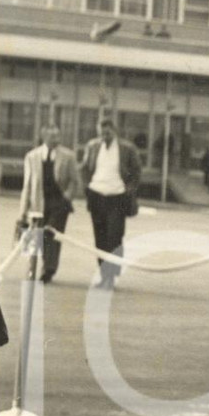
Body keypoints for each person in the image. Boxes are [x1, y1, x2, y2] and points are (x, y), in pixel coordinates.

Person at [79, 118, 142, 289]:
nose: (104, 136)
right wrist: (87, 187)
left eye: (107, 133)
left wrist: (129, 189)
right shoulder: (92, 146)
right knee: (100, 239)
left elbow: (137, 171)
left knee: (114, 237)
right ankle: (104, 275)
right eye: (102, 133)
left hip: (117, 197)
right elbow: (85, 168)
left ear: (114, 131)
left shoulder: (127, 148)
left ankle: (112, 277)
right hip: (97, 195)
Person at [16, 123, 81, 283]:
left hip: (59, 203)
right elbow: (27, 185)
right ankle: (31, 268)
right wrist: (23, 211)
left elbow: (75, 181)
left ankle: (48, 270)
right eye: (52, 136)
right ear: (43, 137)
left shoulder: (69, 156)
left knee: (52, 236)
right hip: (37, 202)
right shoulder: (32, 156)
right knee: (34, 236)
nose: (56, 139)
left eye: (58, 136)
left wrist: (67, 198)